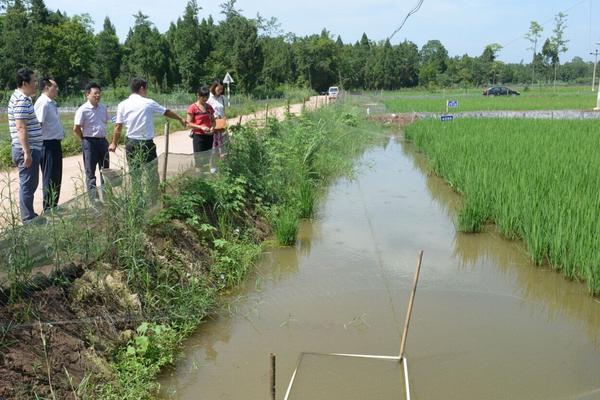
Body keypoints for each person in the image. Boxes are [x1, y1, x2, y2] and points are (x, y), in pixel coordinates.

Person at [110, 78, 185, 191]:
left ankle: (138, 202)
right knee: (152, 173)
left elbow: (118, 126)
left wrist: (113, 143)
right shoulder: (148, 102)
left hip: (131, 143)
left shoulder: (122, 105)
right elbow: (166, 112)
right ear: (141, 88)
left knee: (135, 173)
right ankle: (153, 199)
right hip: (146, 143)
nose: (146, 91)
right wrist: (180, 118)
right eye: (146, 89)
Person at [8, 68, 43, 222]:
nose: (36, 84)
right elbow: (20, 127)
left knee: (30, 184)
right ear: (24, 83)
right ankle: (28, 219)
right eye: (34, 81)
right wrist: (27, 152)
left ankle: (29, 215)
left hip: (28, 149)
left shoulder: (21, 98)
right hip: (26, 151)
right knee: (28, 185)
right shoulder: (21, 100)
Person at [74, 82, 109, 199]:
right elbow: (76, 128)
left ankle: (107, 196)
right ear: (87, 94)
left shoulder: (103, 107)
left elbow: (105, 121)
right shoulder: (83, 110)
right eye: (95, 93)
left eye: (99, 93)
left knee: (105, 170)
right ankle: (94, 200)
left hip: (103, 141)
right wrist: (83, 139)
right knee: (90, 172)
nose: (98, 95)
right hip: (89, 142)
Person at [34, 77, 64, 211]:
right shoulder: (43, 103)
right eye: (55, 87)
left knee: (56, 176)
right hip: (46, 144)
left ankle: (53, 206)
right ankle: (48, 209)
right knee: (50, 177)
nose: (57, 89)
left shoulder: (51, 103)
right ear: (46, 87)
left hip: (54, 143)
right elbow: (38, 124)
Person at [186, 86, 215, 169]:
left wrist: (212, 127)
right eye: (203, 97)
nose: (205, 99)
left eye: (207, 97)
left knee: (207, 158)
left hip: (209, 136)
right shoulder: (193, 108)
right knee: (199, 160)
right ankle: (199, 178)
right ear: (198, 96)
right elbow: (188, 124)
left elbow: (213, 121)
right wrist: (201, 127)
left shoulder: (209, 107)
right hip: (199, 137)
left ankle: (206, 177)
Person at [207, 81, 227, 165]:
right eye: (219, 88)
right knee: (213, 146)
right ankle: (212, 165)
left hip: (221, 124)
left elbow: (223, 110)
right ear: (214, 88)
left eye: (221, 89)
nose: (220, 90)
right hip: (213, 124)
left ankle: (221, 165)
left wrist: (224, 119)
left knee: (222, 145)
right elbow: (206, 111)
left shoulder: (222, 98)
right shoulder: (209, 98)